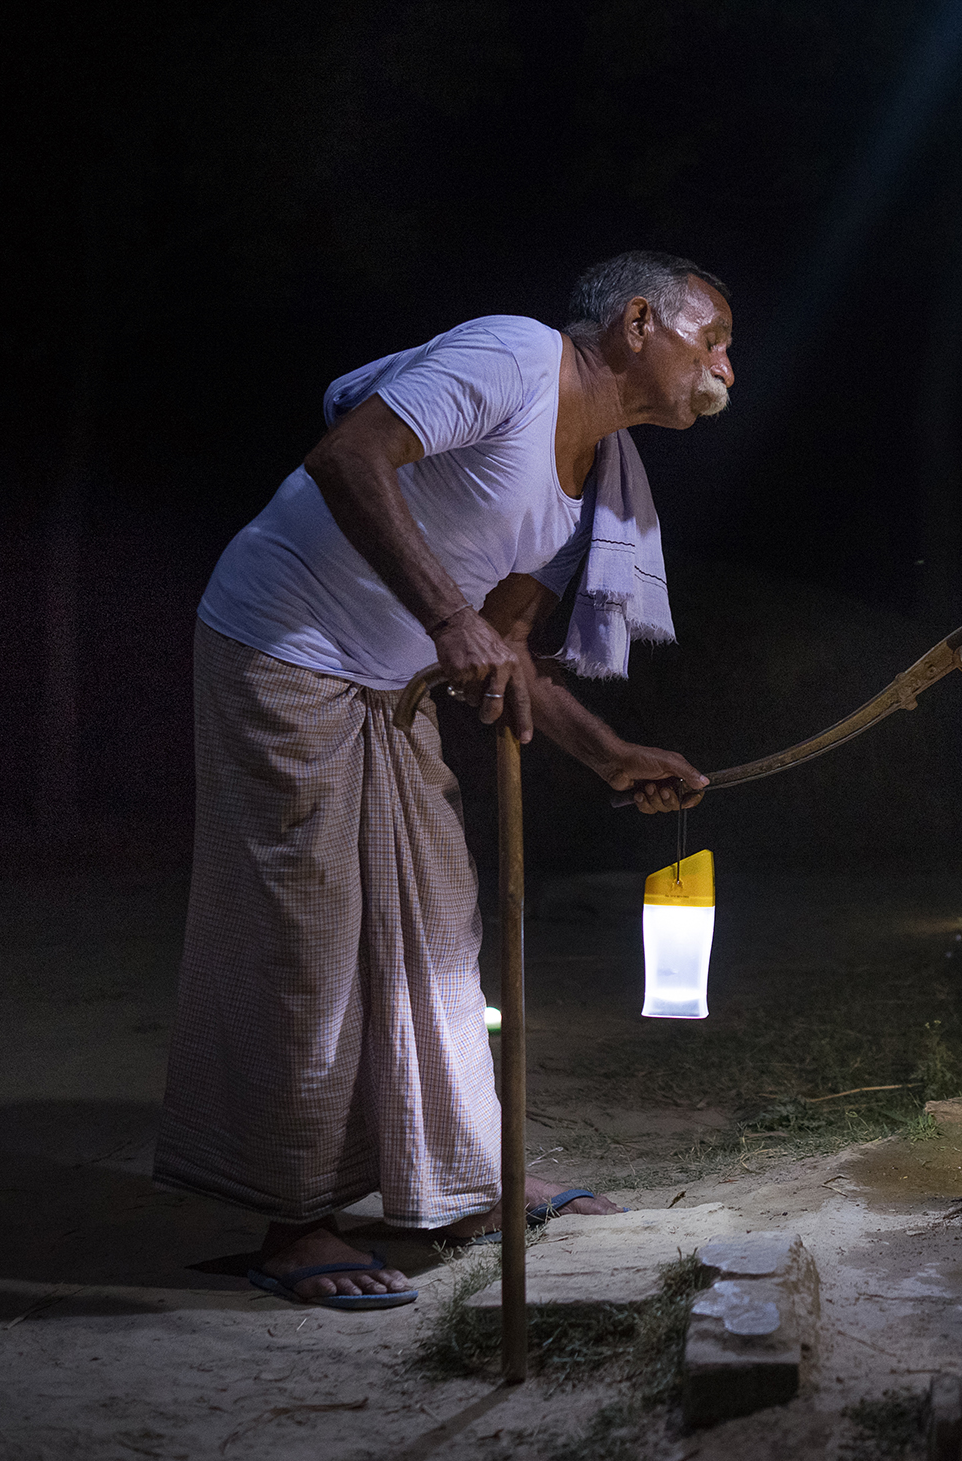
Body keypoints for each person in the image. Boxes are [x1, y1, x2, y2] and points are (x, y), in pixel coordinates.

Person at [153, 251, 729, 1306]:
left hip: (392, 686)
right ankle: (297, 1223)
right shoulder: (513, 355)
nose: (725, 366)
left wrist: (610, 753)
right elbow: (348, 456)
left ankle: (463, 1181)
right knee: (311, 931)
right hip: (282, 648)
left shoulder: (596, 471)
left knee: (439, 922)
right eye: (715, 338)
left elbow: (500, 650)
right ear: (639, 324)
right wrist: (446, 618)